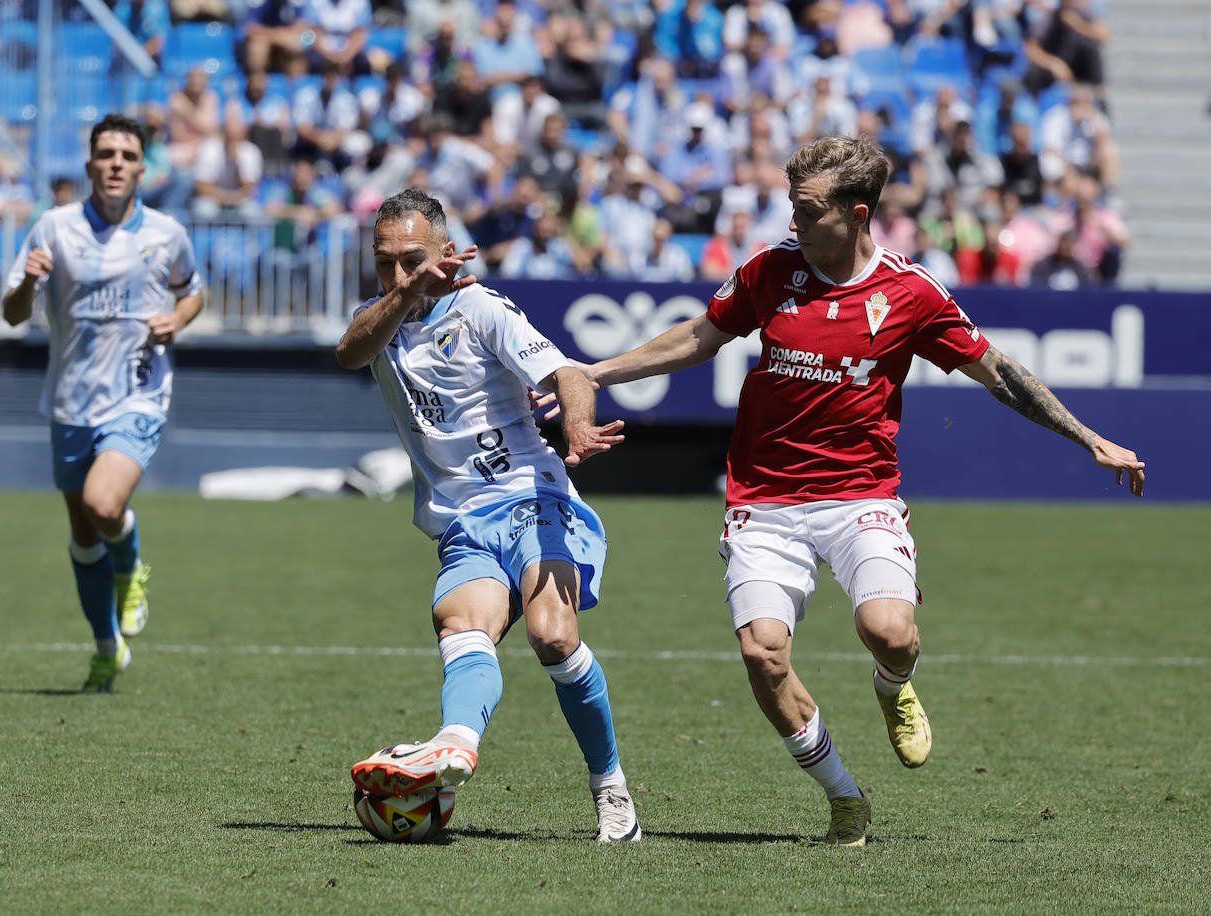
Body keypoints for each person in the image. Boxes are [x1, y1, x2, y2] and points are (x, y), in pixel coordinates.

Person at [539, 136, 1144, 846]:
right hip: (763, 500)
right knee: (763, 653)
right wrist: (599, 371)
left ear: (859, 214)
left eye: (807, 211)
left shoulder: (911, 293)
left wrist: (1088, 437)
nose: (793, 225)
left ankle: (893, 687)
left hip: (860, 497)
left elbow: (1000, 372)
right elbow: (702, 336)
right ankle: (843, 795)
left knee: (890, 633)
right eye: (791, 209)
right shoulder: (771, 271)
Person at [338, 187, 640, 843]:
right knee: (460, 622)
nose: (398, 274)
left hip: (536, 501)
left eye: (412, 260)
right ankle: (453, 747)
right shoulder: (377, 320)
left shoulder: (480, 308)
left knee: (552, 635)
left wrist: (579, 430)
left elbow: (568, 375)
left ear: (448, 254)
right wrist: (403, 293)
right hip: (461, 526)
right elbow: (348, 353)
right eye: (385, 261)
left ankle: (611, 787)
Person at [1, 114, 205, 692]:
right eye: (107, 153)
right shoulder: (54, 228)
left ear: (143, 168)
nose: (117, 163)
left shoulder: (166, 234)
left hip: (138, 392)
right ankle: (105, 646)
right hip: (70, 399)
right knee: (84, 531)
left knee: (103, 503)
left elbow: (192, 290)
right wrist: (25, 284)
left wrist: (176, 320)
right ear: (90, 164)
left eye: (128, 154)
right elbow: (13, 314)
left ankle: (132, 567)